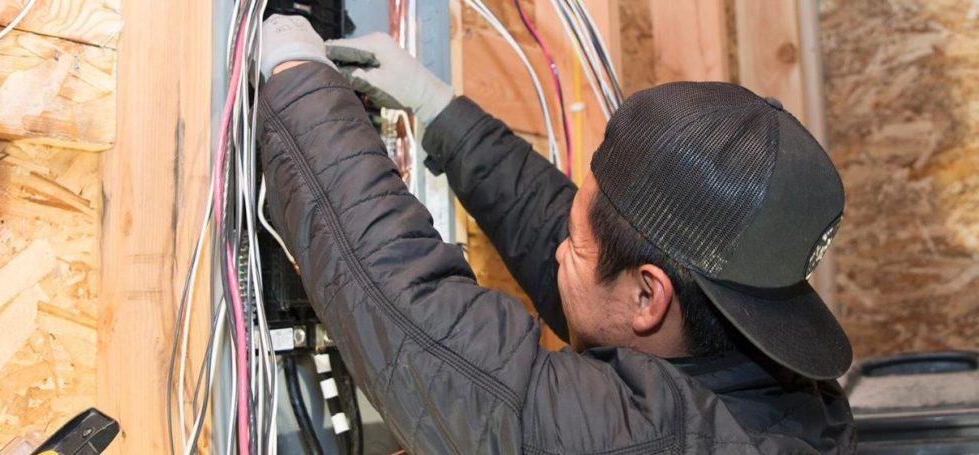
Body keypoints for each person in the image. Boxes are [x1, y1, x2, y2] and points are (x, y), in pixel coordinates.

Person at [259, 15, 856, 454]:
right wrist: (439, 110)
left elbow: (426, 335)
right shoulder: (788, 395)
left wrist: (299, 82)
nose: (558, 253)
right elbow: (577, 247)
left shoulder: (669, 442)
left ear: (649, 296)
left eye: (574, 243)